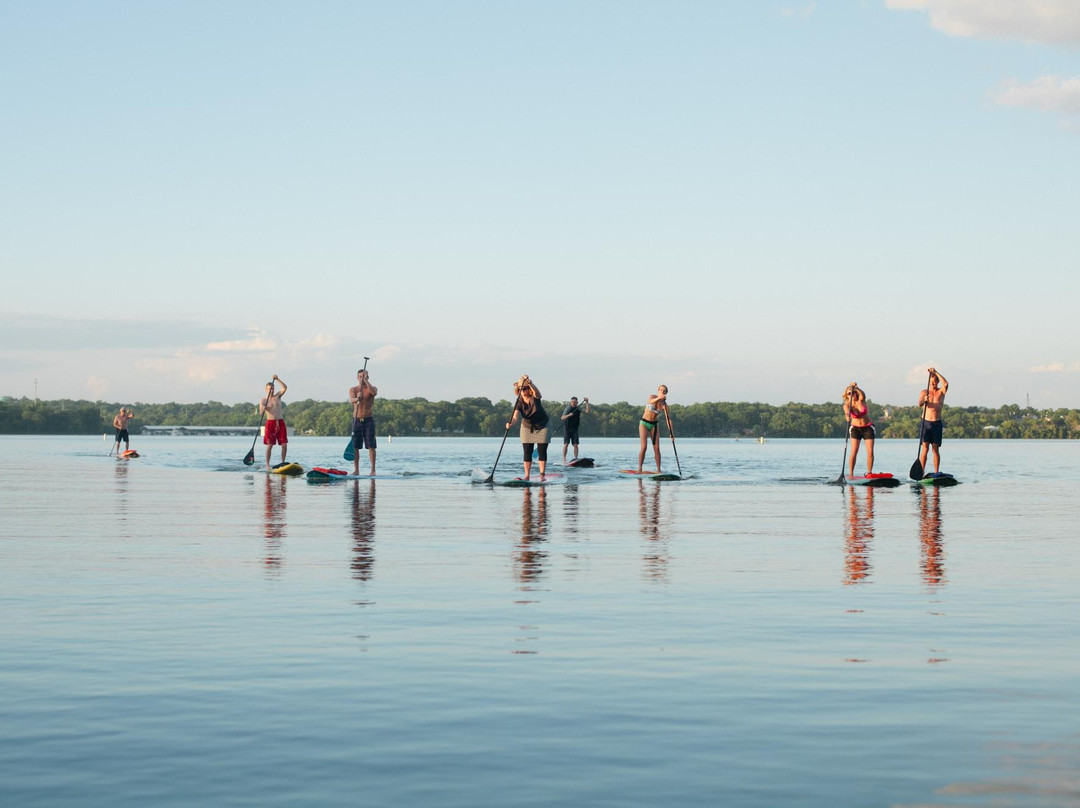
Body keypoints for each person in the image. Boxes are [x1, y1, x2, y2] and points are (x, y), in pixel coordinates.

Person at [506, 375, 550, 481]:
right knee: (527, 451)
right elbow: (515, 416)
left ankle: (542, 475)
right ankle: (527, 476)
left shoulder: (535, 397)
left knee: (541, 450)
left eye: (524, 388)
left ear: (528, 389)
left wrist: (529, 383)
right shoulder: (519, 402)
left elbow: (538, 394)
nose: (522, 391)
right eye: (520, 389)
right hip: (527, 426)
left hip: (543, 425)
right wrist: (510, 423)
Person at [917, 367, 949, 475]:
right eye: (931, 383)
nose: (933, 385)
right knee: (925, 448)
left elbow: (946, 384)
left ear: (937, 382)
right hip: (925, 422)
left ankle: (936, 472)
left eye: (935, 383)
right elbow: (919, 403)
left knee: (935, 449)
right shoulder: (924, 392)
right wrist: (924, 400)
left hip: (937, 423)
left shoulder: (941, 392)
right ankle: (921, 471)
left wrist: (936, 372)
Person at [348, 368, 379, 476]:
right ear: (357, 378)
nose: (362, 378)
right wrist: (357, 398)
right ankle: (356, 470)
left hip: (368, 420)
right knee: (356, 446)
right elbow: (351, 400)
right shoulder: (353, 389)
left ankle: (373, 470)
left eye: (364, 376)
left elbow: (374, 392)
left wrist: (366, 382)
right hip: (357, 420)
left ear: (368, 377)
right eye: (360, 377)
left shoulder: (372, 388)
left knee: (371, 446)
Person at [843, 382, 875, 477]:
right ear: (847, 395)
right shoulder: (847, 405)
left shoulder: (862, 400)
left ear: (856, 393)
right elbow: (847, 415)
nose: (851, 395)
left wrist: (856, 388)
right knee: (854, 451)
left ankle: (869, 473)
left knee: (870, 451)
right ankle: (851, 474)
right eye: (849, 393)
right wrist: (848, 415)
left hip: (868, 427)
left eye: (853, 392)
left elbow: (863, 395)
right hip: (855, 429)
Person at [637, 384, 669, 473]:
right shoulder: (652, 397)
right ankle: (640, 468)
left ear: (666, 393)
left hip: (654, 425)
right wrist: (659, 398)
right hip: (644, 423)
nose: (662, 391)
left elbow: (668, 420)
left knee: (657, 448)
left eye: (664, 391)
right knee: (644, 447)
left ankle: (658, 470)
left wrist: (671, 434)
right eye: (661, 390)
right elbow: (650, 402)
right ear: (658, 391)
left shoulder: (664, 405)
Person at [258, 374, 288, 469]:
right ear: (266, 389)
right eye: (270, 389)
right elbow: (260, 413)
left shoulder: (278, 396)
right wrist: (264, 407)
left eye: (273, 389)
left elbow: (285, 387)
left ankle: (282, 462)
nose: (272, 390)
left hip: (280, 422)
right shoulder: (263, 400)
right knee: (270, 445)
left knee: (284, 444)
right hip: (270, 423)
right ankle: (267, 465)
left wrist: (277, 379)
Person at [560, 396, 590, 464]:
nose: (574, 403)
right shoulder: (568, 408)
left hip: (575, 429)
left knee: (575, 444)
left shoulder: (578, 408)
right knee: (566, 444)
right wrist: (568, 415)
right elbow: (562, 418)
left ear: (577, 403)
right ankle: (564, 459)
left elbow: (587, 411)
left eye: (575, 402)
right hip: (567, 428)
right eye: (572, 402)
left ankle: (576, 458)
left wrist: (587, 402)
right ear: (571, 402)